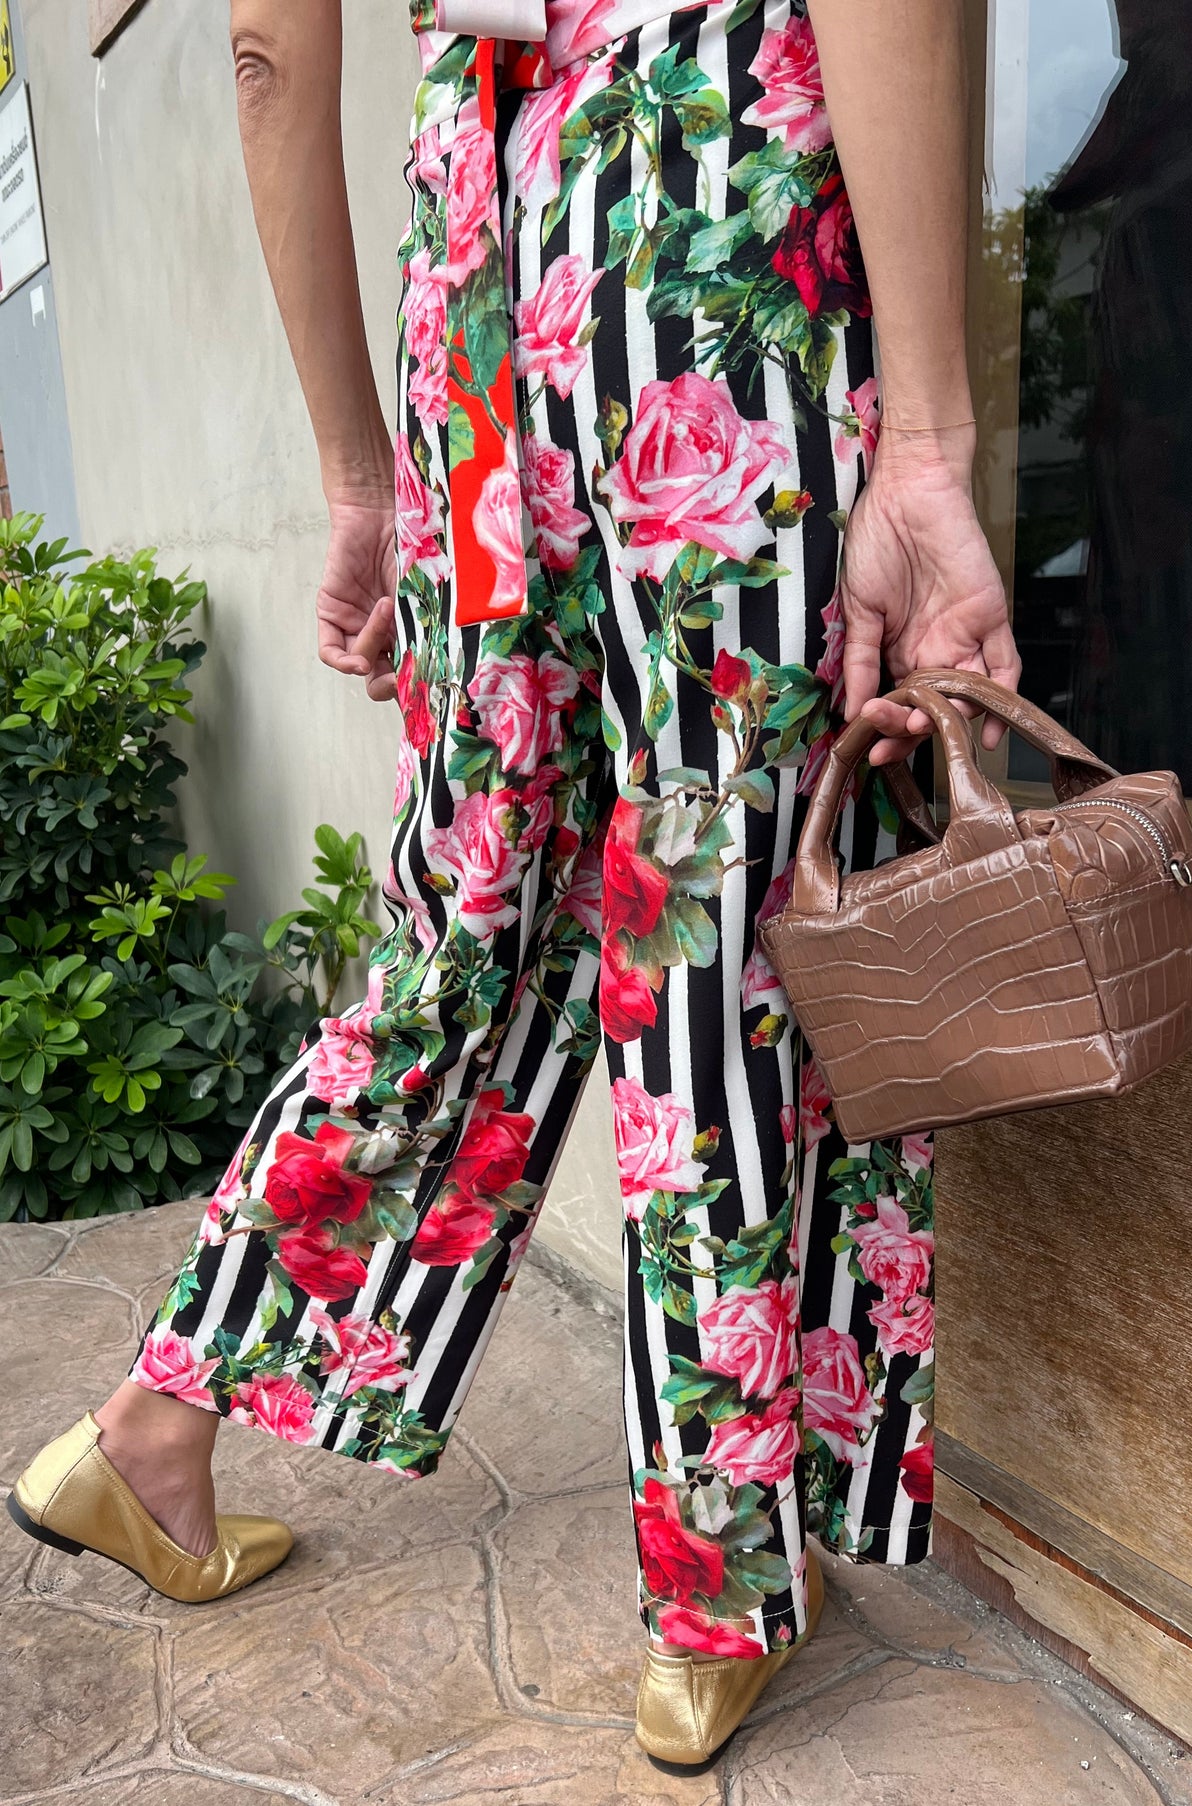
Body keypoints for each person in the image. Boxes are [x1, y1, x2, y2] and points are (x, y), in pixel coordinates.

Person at [7, 0, 1018, 1769]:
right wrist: (925, 440)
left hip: (479, 269)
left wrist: (355, 474)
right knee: (722, 914)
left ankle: (152, 1420)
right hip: (708, 191)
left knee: (468, 916)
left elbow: (264, 49)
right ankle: (715, 1588)